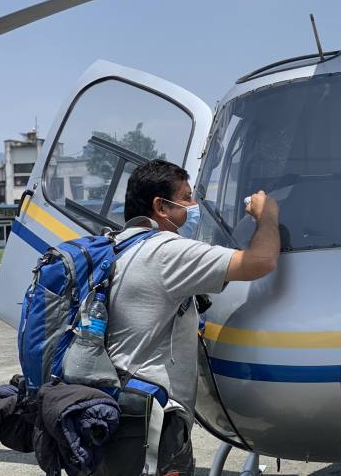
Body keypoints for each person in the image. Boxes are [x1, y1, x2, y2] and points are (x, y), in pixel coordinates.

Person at [93, 159, 281, 475]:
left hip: (108, 405)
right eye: (187, 198)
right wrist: (269, 217)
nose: (194, 206)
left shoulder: (114, 244)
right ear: (160, 206)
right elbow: (260, 261)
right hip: (150, 418)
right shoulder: (166, 250)